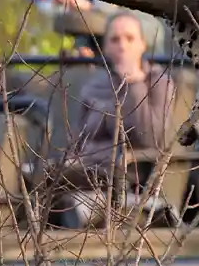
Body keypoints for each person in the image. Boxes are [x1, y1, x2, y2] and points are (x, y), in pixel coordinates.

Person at [44, 12, 178, 227]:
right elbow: (78, 139)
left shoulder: (158, 82)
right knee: (38, 175)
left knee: (58, 190)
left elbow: (151, 138)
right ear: (106, 47)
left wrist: (134, 83)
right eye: (115, 40)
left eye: (130, 38)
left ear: (143, 45)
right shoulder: (95, 85)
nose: (122, 46)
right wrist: (71, 158)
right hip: (85, 170)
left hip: (127, 174)